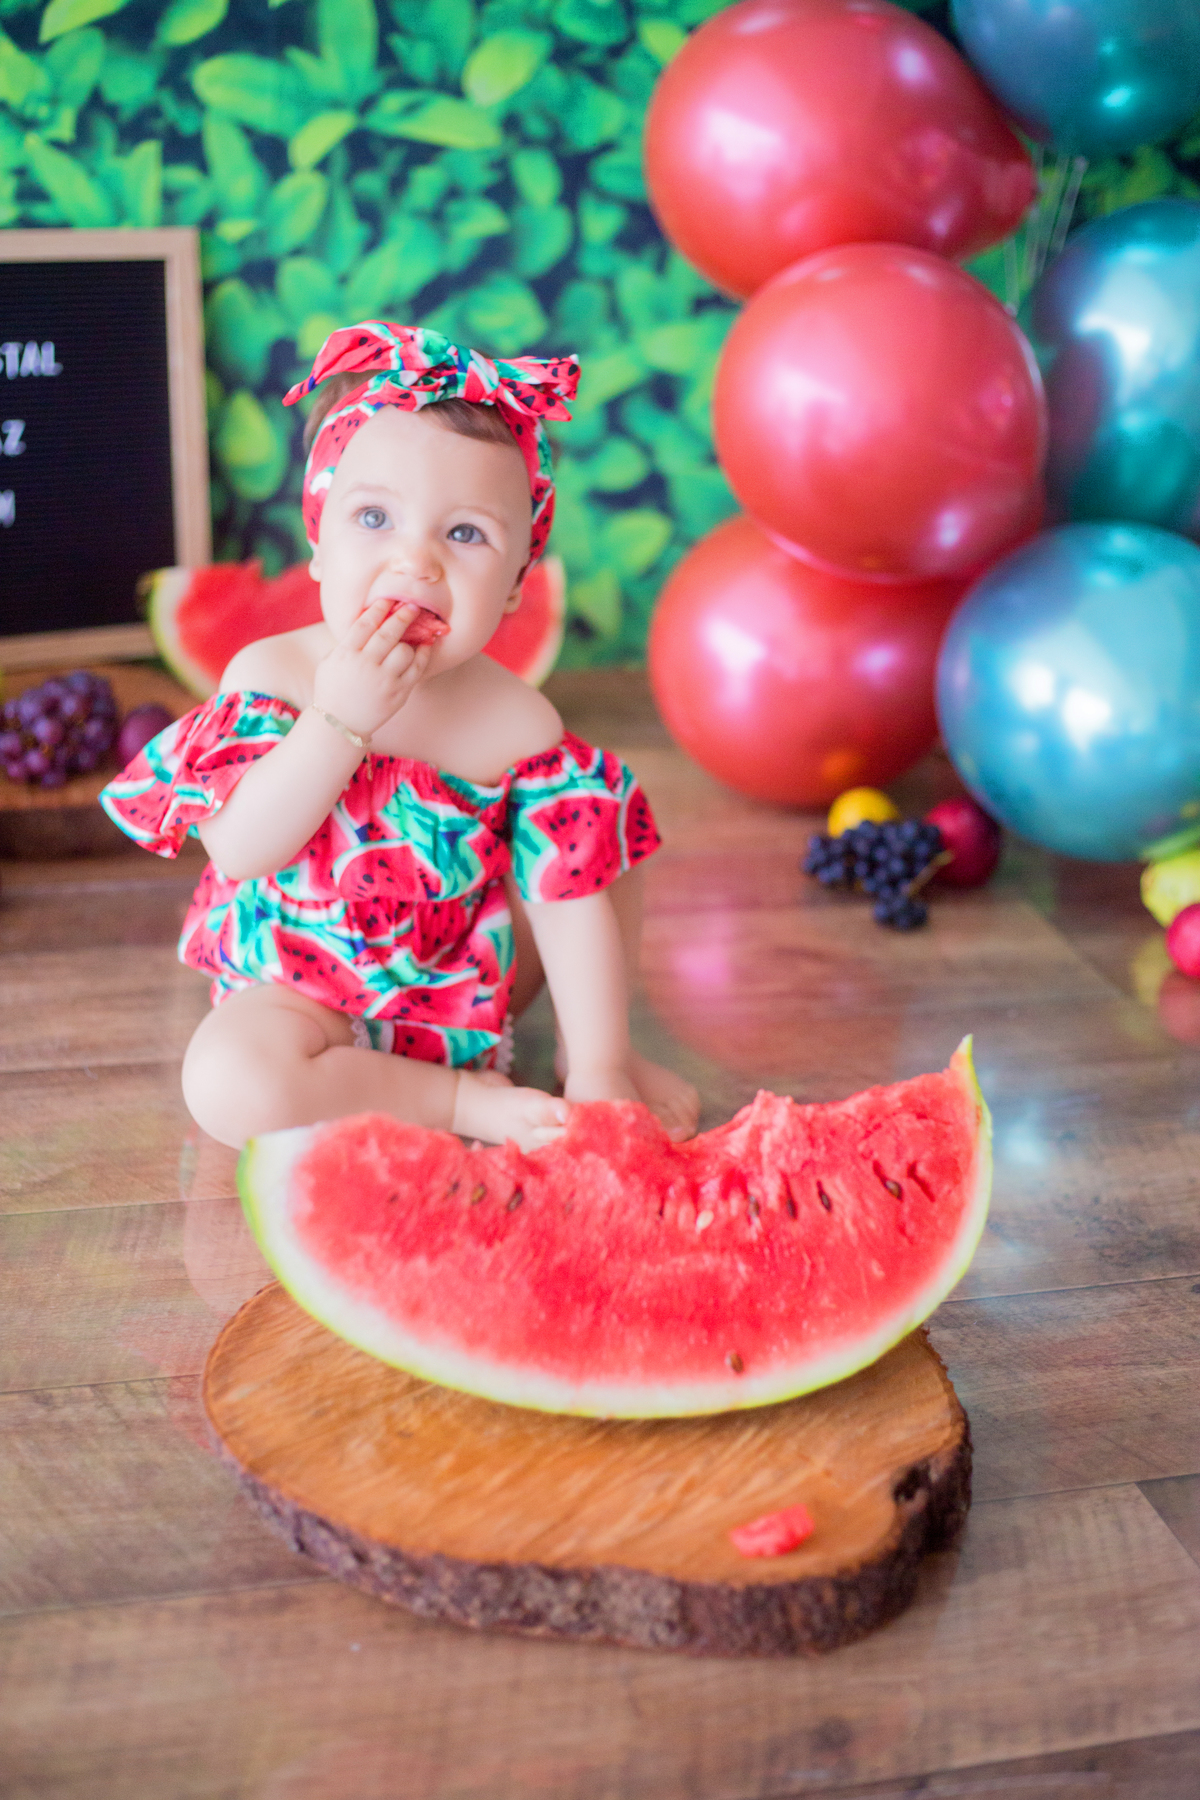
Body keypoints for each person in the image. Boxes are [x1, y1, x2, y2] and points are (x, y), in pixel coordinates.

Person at [101, 323, 700, 1153]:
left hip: (468, 987)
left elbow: (565, 904)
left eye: (464, 535)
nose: (415, 562)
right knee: (227, 1082)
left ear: (518, 580)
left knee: (595, 850)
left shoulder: (518, 724)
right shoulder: (272, 678)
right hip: (298, 995)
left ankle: (589, 1053)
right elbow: (239, 850)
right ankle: (458, 1104)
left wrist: (600, 1064)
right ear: (318, 544)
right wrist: (337, 721)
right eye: (374, 516)